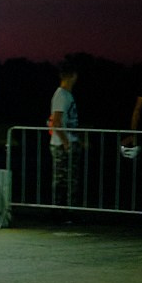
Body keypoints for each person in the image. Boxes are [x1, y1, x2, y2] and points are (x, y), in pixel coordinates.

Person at [49, 66, 80, 209]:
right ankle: (59, 210)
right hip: (61, 144)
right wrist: (66, 142)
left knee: (70, 179)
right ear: (71, 76)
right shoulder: (61, 95)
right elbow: (56, 121)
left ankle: (67, 209)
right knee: (62, 179)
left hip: (68, 141)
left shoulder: (67, 94)